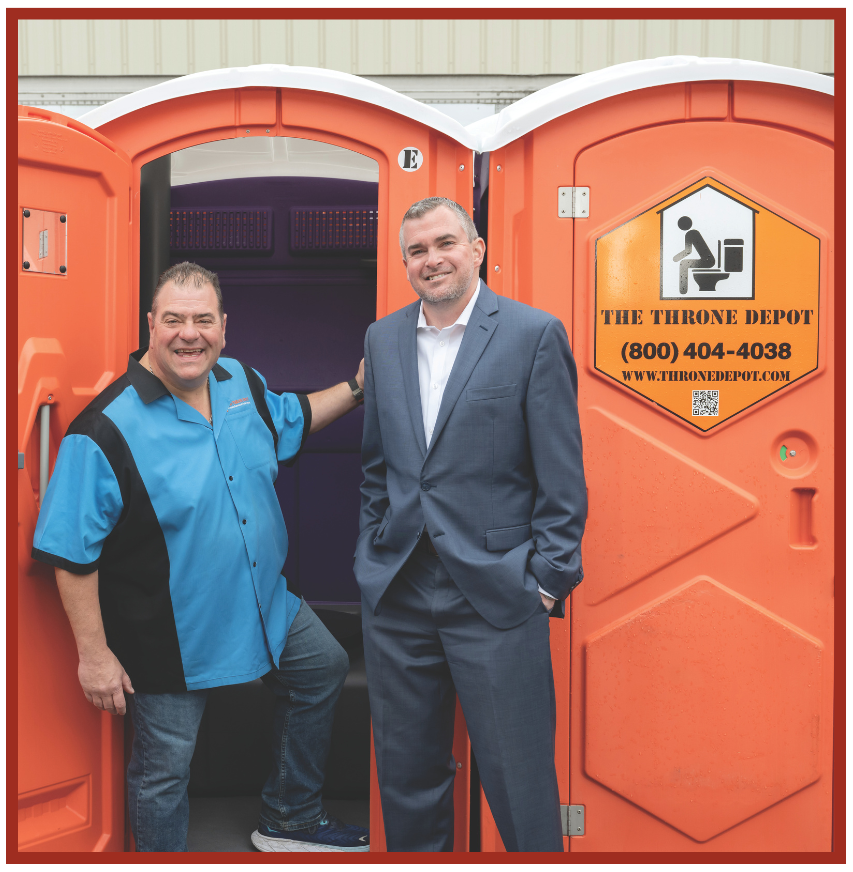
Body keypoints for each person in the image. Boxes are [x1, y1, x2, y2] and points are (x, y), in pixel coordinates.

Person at [32, 262, 370, 853]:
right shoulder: (104, 429)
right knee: (164, 771)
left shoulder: (239, 380)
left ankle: (289, 818)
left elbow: (292, 419)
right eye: (174, 320)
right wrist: (95, 655)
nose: (190, 334)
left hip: (264, 603)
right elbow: (70, 551)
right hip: (170, 635)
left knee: (321, 667)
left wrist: (360, 387)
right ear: (151, 325)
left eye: (203, 320)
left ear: (223, 326)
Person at [354, 197, 587, 851]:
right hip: (399, 591)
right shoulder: (382, 339)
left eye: (445, 243)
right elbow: (376, 467)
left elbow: (562, 477)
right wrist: (372, 554)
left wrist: (546, 582)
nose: (432, 260)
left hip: (497, 595)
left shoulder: (532, 334)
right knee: (407, 781)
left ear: (477, 249)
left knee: (520, 785)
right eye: (417, 251)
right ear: (405, 263)